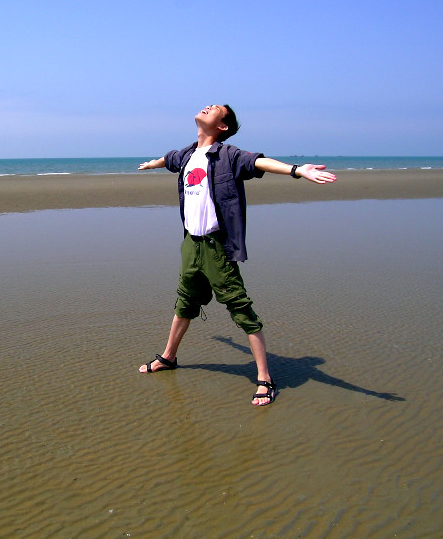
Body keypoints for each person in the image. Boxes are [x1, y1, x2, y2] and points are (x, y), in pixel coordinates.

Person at [137, 104, 337, 406]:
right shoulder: (188, 154)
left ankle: (265, 378)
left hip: (217, 247)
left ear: (223, 126)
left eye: (216, 109)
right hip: (190, 244)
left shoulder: (229, 156)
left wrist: (297, 170)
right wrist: (153, 164)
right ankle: (168, 357)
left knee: (239, 307)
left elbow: (259, 162)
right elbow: (170, 159)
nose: (208, 107)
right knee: (185, 302)